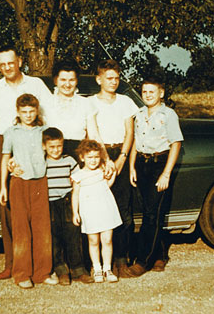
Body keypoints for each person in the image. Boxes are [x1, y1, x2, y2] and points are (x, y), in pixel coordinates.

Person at [0, 46, 52, 280]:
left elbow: (50, 117)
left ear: (19, 61)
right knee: (8, 205)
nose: (6, 67)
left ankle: (40, 265)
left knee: (38, 207)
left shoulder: (36, 85)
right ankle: (12, 263)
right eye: (1, 64)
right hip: (4, 142)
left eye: (10, 62)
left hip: (34, 141)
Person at [124, 78, 183, 277]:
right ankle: (160, 255)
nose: (148, 95)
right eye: (145, 91)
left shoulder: (169, 115)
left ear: (161, 94)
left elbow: (176, 144)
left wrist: (166, 173)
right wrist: (132, 166)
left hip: (160, 164)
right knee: (149, 212)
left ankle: (143, 261)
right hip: (141, 164)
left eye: (152, 91)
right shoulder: (139, 115)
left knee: (152, 213)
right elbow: (135, 142)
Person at [0, 94, 56, 289]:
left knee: (42, 229)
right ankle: (22, 273)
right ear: (18, 112)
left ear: (36, 111)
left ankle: (42, 272)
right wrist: (3, 186)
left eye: (32, 111)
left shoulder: (44, 131)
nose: (29, 115)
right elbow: (6, 158)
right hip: (19, 183)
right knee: (21, 230)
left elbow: (53, 153)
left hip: (40, 182)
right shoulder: (11, 132)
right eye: (24, 112)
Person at [89, 59, 138, 277]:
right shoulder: (90, 103)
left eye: (117, 78)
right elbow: (93, 131)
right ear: (99, 79)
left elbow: (130, 132)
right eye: (109, 78)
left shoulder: (126, 102)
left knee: (123, 210)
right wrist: (104, 160)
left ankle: (121, 258)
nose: (113, 82)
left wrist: (121, 159)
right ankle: (97, 262)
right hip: (98, 156)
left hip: (121, 154)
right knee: (99, 211)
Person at [43, 127, 94, 285]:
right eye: (51, 147)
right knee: (55, 237)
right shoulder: (41, 163)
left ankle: (78, 269)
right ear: (44, 146)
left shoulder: (69, 161)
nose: (56, 150)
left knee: (73, 234)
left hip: (67, 201)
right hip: (49, 203)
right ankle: (61, 270)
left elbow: (78, 180)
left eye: (59, 146)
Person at [71, 139, 122, 283]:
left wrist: (111, 173)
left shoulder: (102, 170)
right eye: (89, 157)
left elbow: (108, 184)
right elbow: (75, 195)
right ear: (82, 158)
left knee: (107, 239)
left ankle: (107, 268)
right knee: (93, 240)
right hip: (89, 211)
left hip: (105, 208)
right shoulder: (78, 176)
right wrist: (75, 212)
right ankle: (97, 268)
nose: (93, 161)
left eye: (96, 157)